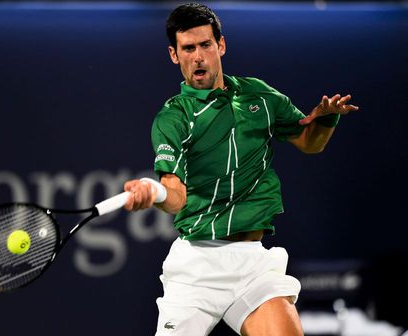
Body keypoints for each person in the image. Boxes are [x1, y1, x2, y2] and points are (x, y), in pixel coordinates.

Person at [123, 3, 359, 336]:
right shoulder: (173, 118)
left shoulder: (259, 96)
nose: (199, 56)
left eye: (205, 45)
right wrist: (156, 192)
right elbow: (175, 195)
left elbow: (309, 142)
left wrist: (326, 118)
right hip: (197, 269)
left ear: (221, 45)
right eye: (188, 48)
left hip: (252, 264)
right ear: (174, 56)